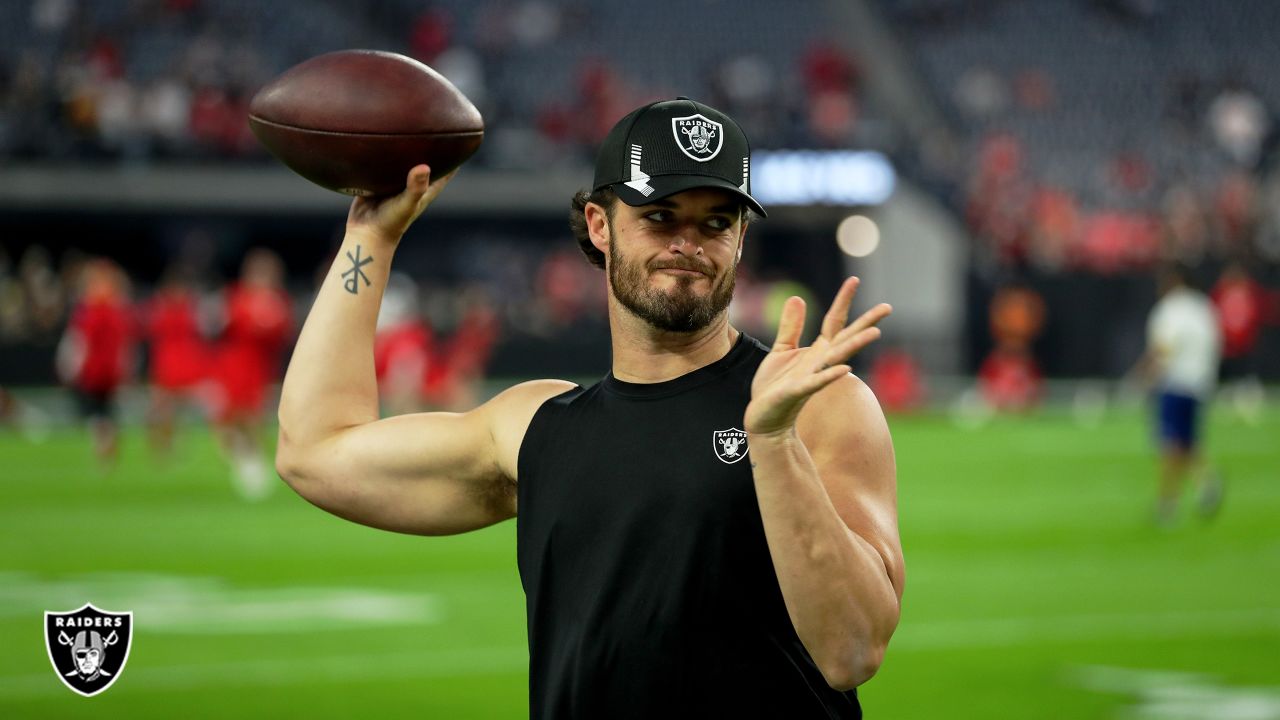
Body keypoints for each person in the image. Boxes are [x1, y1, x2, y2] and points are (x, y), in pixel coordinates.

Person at [276, 98, 903, 718]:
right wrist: (371, 236)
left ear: (740, 238)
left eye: (716, 222)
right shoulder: (535, 427)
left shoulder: (819, 404)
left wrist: (772, 442)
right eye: (659, 216)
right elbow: (315, 452)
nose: (688, 242)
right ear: (600, 226)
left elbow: (851, 651)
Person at [1133, 263, 1224, 526]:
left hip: (1175, 382)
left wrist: (1142, 377)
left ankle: (1167, 505)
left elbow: (1163, 349)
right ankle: (1206, 480)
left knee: (1169, 445)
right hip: (1200, 383)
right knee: (1186, 441)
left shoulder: (1169, 310)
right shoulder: (1203, 307)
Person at [210, 249, 293, 500]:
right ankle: (244, 460)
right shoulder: (236, 297)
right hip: (233, 365)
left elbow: (279, 332)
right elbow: (222, 326)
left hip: (260, 369)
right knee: (229, 420)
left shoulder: (278, 301)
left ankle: (255, 464)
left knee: (253, 418)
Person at [57, 259, 135, 467]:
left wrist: (70, 367)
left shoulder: (92, 312)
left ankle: (104, 447)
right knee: (103, 411)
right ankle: (106, 446)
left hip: (97, 369)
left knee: (98, 411)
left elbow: (79, 342)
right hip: (107, 369)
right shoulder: (115, 311)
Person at [142, 265, 209, 458]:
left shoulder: (190, 308)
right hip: (167, 365)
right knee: (161, 411)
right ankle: (162, 445)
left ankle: (172, 444)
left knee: (178, 412)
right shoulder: (161, 308)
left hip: (184, 364)